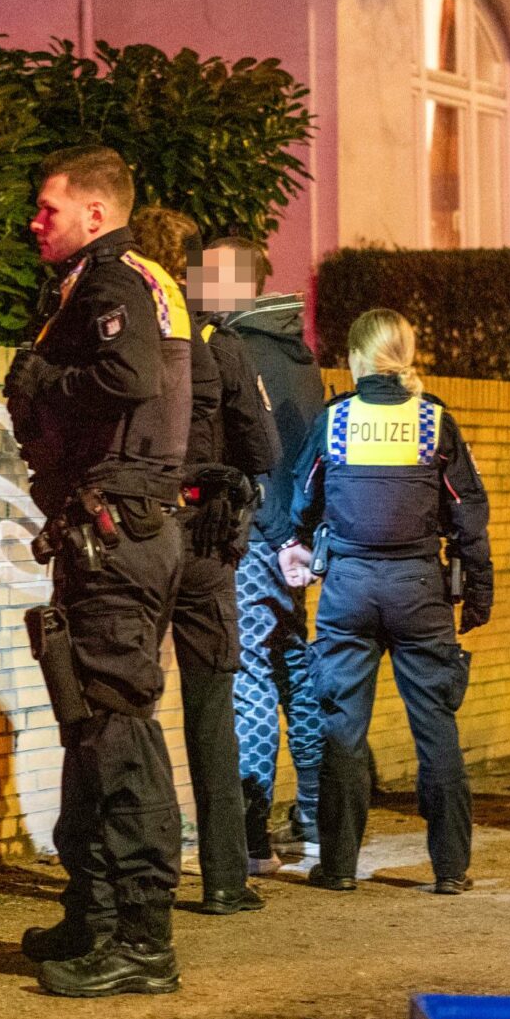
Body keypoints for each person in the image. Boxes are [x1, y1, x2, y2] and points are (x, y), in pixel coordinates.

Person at [6, 146, 194, 997]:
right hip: (108, 529)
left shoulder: (115, 280)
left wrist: (42, 376)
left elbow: (127, 376)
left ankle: (143, 941)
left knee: (118, 734)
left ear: (94, 212)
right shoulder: (117, 281)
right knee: (90, 729)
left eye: (48, 208)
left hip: (116, 533)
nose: (34, 221)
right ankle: (93, 914)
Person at [277, 309, 493, 895]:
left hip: (348, 588)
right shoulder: (434, 421)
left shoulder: (336, 420)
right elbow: (467, 512)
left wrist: (298, 542)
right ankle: (450, 869)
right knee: (436, 730)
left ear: (355, 358)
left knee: (342, 730)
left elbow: (304, 499)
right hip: (419, 589)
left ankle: (340, 866)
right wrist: (479, 587)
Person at [130, 207, 279, 915]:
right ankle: (224, 877)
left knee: (125, 706)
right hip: (207, 542)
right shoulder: (222, 346)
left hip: (135, 535)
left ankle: (133, 872)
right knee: (210, 709)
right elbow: (265, 452)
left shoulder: (127, 335)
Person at [202, 242, 329, 872]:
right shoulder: (299, 359)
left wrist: (271, 535)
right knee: (292, 670)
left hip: (258, 535)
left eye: (208, 275)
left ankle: (251, 828)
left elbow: (260, 454)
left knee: (248, 678)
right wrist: (296, 538)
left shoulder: (242, 353)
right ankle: (316, 813)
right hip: (295, 538)